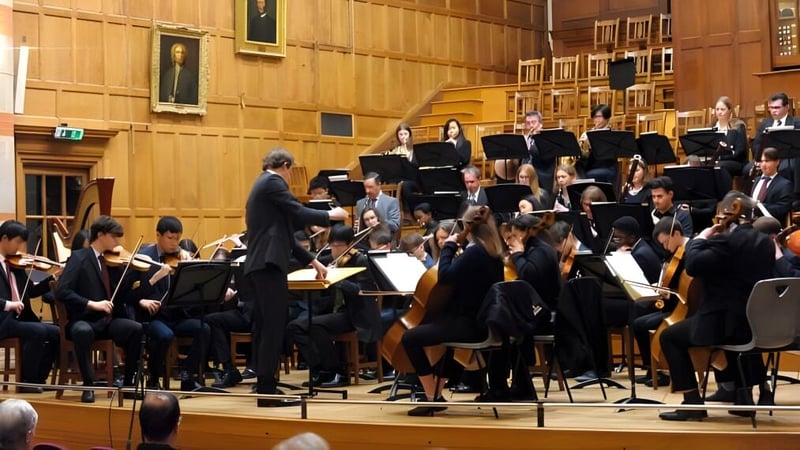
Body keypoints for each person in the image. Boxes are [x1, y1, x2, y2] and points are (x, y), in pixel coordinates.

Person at [244, 148, 348, 407]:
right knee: (273, 327)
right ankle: (266, 392)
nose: (290, 177)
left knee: (270, 327)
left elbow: (286, 236)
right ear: (285, 165)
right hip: (268, 265)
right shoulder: (272, 181)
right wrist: (330, 216)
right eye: (291, 171)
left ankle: (266, 386)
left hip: (263, 263)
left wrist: (312, 260)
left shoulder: (264, 185)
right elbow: (298, 212)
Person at [659, 192, 774, 421]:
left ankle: (692, 404)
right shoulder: (765, 242)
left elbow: (693, 266)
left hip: (722, 323)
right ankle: (743, 399)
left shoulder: (726, 242)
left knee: (669, 336)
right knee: (734, 333)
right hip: (753, 324)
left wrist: (699, 239)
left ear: (726, 212)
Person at [400, 205, 504, 416]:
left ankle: (432, 397)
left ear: (468, 226)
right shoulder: (493, 251)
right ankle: (436, 393)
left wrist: (448, 247)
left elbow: (445, 276)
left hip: (470, 326)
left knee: (409, 338)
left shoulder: (475, 252)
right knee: (443, 338)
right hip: (485, 322)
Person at [55, 215, 144, 403]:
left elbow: (119, 294)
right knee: (82, 332)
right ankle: (89, 386)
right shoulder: (79, 258)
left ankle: (128, 385)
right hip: (83, 318)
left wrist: (133, 272)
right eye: (114, 237)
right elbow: (62, 291)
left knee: (135, 330)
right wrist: (90, 303)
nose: (118, 242)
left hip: (106, 320)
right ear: (101, 235)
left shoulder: (110, 262)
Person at [287, 225, 380, 388]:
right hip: (335, 311)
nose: (334, 250)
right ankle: (320, 369)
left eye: (338, 246)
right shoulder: (329, 260)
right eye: (332, 245)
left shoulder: (361, 261)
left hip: (356, 314)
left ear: (350, 244)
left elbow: (363, 291)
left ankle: (338, 373)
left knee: (316, 326)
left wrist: (338, 278)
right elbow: (305, 266)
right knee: (296, 326)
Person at [125, 216, 210, 391]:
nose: (174, 243)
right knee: (164, 335)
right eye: (170, 238)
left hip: (176, 315)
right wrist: (143, 298)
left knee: (204, 329)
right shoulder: (144, 258)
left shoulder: (180, 256)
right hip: (154, 316)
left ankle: (187, 375)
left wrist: (189, 269)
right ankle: (154, 378)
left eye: (177, 239)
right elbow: (127, 295)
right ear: (158, 235)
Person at [0, 220, 60, 393]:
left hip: (20, 318)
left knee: (56, 332)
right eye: (18, 242)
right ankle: (26, 381)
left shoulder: (16, 265)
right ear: (4, 238)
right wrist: (8, 305)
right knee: (37, 331)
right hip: (3, 319)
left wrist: (51, 279)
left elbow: (31, 292)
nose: (20, 248)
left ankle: (38, 379)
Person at [632, 216, 691, 388]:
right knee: (638, 321)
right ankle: (651, 369)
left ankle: (662, 371)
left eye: (666, 243)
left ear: (676, 234)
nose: (665, 248)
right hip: (672, 306)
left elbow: (688, 290)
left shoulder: (689, 254)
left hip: (681, 310)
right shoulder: (677, 254)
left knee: (642, 324)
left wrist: (668, 294)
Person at [751, 147, 793, 220]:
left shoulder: (785, 184)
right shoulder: (757, 180)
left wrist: (759, 207)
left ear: (777, 162)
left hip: (770, 224)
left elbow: (782, 208)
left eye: (767, 161)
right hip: (751, 222)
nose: (763, 165)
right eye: (762, 161)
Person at [579, 104, 617, 183]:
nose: (596, 120)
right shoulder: (588, 133)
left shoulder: (612, 134)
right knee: (573, 170)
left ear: (607, 118)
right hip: (590, 165)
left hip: (607, 166)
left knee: (586, 175)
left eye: (599, 117)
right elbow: (584, 154)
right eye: (595, 117)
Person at [711, 96, 749, 177]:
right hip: (717, 160)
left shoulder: (738, 126)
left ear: (729, 110)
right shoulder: (713, 127)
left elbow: (740, 153)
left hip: (736, 162)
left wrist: (720, 158)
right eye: (717, 109)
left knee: (719, 166)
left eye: (722, 109)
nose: (719, 112)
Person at [521, 110, 555, 191]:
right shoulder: (527, 138)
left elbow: (544, 157)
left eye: (533, 122)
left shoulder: (546, 138)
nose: (531, 125)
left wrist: (528, 147)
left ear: (540, 124)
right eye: (528, 123)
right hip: (527, 170)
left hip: (542, 171)